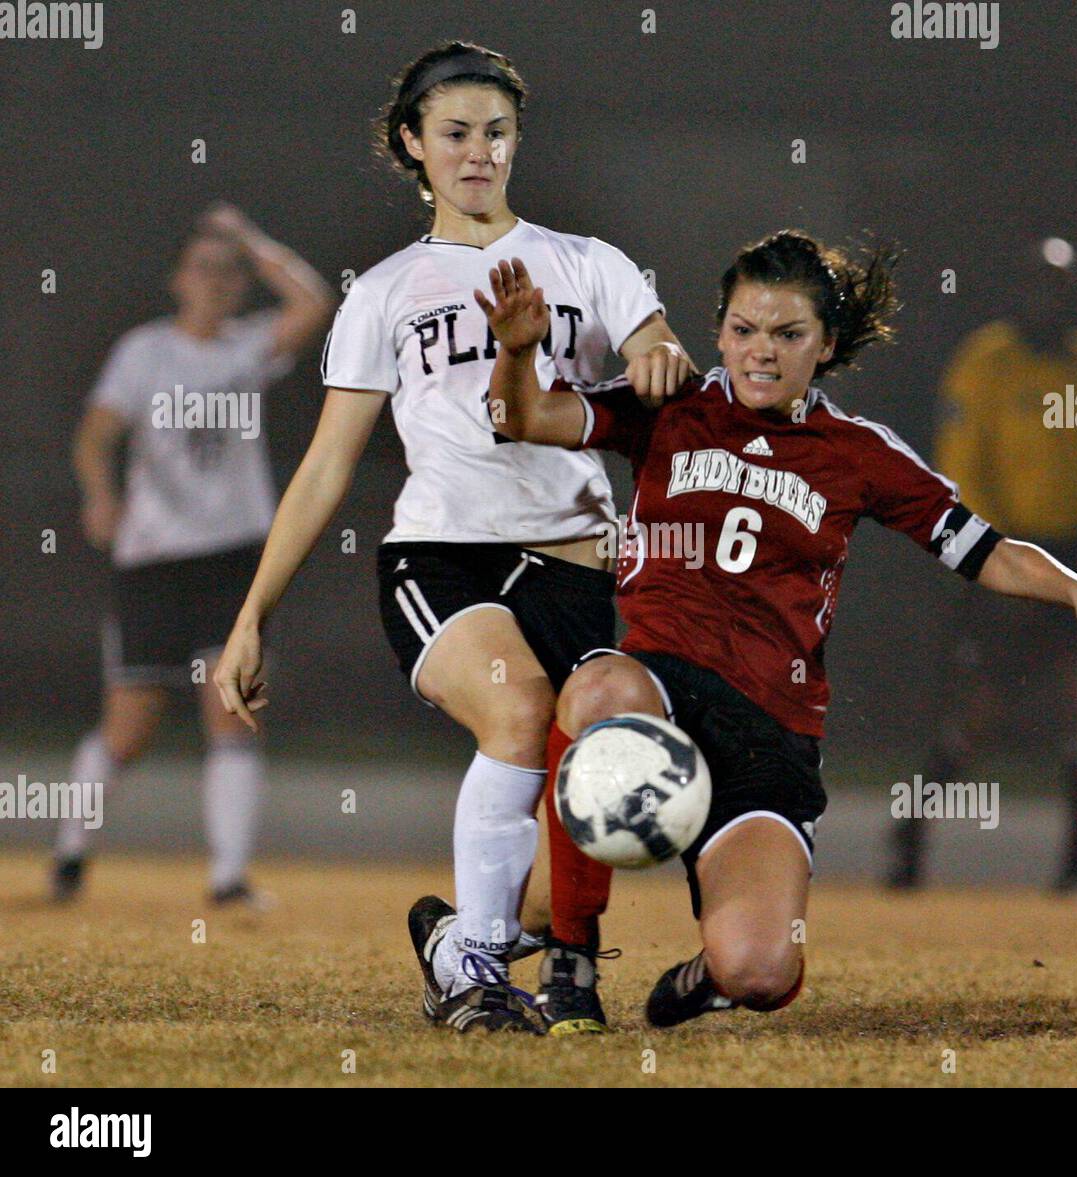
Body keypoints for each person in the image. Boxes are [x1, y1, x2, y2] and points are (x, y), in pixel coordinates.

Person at [476, 231, 1077, 1030]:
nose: (761, 353)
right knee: (597, 688)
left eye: (788, 335)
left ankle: (707, 967)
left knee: (762, 970)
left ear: (828, 344)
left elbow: (985, 549)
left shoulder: (857, 453)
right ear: (717, 331)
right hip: (660, 697)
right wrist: (516, 352)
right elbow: (522, 414)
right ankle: (569, 963)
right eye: (744, 329)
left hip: (767, 737)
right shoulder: (669, 405)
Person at [214, 41, 693, 1034]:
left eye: (497, 133)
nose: (478, 152)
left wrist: (660, 357)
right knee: (518, 708)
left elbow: (656, 351)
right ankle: (469, 970)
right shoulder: (386, 289)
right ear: (414, 145)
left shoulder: (586, 263)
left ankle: (470, 934)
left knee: (586, 814)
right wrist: (251, 616)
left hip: (578, 559)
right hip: (443, 553)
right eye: (455, 133)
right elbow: (325, 463)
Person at [53, 203, 334, 903]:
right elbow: (96, 434)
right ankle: (70, 851)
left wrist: (253, 238)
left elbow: (314, 301)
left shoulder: (249, 344)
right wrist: (99, 495)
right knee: (130, 724)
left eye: (228, 270)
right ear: (177, 278)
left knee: (232, 705)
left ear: (242, 284)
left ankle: (228, 876)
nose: (215, 280)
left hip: (236, 556)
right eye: (202, 267)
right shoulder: (144, 351)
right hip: (156, 557)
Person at [886, 239, 1077, 892]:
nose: (1050, 300)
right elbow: (962, 463)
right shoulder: (985, 362)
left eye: (1062, 288)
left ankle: (1076, 860)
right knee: (980, 713)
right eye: (1039, 285)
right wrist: (989, 555)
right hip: (1009, 554)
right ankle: (911, 836)